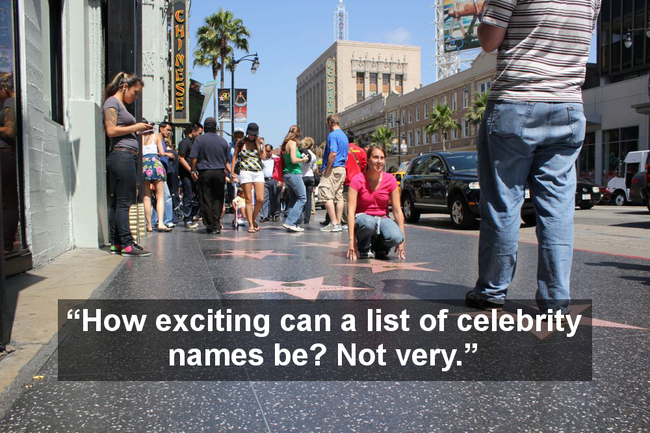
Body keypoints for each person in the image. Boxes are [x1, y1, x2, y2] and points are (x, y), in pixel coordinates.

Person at [465, 0, 600, 314]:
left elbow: (489, 40)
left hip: (516, 101)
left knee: (502, 203)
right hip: (568, 103)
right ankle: (555, 301)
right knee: (557, 209)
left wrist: (483, 12)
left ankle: (492, 290)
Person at [103, 72, 153, 257]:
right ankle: (126, 244)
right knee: (125, 201)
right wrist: (136, 127)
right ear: (125, 87)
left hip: (125, 156)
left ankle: (117, 242)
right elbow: (111, 130)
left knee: (118, 202)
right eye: (136, 92)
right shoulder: (112, 102)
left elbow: (119, 130)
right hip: (122, 157)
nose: (136, 96)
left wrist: (137, 132)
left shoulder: (118, 104)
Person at [347, 145, 405, 260]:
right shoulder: (357, 180)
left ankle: (379, 247)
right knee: (367, 223)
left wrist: (403, 240)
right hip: (364, 218)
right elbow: (350, 211)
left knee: (397, 237)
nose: (379, 161)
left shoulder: (390, 180)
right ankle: (364, 247)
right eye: (375, 157)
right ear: (368, 160)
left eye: (382, 158)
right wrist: (351, 241)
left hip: (382, 218)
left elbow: (397, 211)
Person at [189, 117, 231, 234]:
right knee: (218, 198)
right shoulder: (223, 141)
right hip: (219, 172)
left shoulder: (199, 140)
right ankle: (216, 223)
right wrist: (230, 172)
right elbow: (227, 160)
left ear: (205, 127)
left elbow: (193, 158)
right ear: (215, 127)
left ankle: (210, 224)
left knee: (206, 198)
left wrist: (193, 170)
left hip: (205, 172)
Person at [231, 123, 266, 233]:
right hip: (245, 171)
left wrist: (260, 145)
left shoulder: (259, 142)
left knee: (260, 199)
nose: (252, 136)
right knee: (248, 199)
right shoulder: (241, 143)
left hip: (258, 171)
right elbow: (235, 157)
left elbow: (263, 157)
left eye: (254, 134)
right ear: (247, 133)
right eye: (251, 134)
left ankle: (253, 218)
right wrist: (232, 172)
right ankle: (251, 224)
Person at [320, 114, 349, 232]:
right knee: (339, 195)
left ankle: (333, 223)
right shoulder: (344, 135)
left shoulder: (332, 135)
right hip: (342, 168)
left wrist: (327, 169)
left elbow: (332, 153)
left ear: (330, 123)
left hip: (334, 167)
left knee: (325, 191)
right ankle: (338, 222)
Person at [0, 73, 18, 253]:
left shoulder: (10, 103)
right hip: (7, 154)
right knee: (9, 200)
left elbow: (9, 130)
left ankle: (6, 243)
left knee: (8, 201)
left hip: (4, 154)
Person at [142, 123, 171, 233]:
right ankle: (160, 223)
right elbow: (162, 153)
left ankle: (149, 225)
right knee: (160, 197)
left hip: (144, 165)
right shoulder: (157, 136)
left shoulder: (140, 137)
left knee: (146, 196)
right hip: (155, 164)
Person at [281, 125, 310, 232]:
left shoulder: (286, 144)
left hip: (287, 173)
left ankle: (293, 223)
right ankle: (290, 222)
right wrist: (303, 159)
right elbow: (293, 160)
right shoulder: (292, 143)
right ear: (297, 134)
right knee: (303, 198)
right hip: (294, 173)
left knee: (294, 199)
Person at [178, 122, 203, 228]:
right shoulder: (184, 142)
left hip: (195, 173)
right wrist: (191, 171)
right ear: (193, 131)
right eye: (199, 133)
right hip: (187, 174)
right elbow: (181, 158)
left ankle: (193, 215)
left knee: (197, 195)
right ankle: (187, 218)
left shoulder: (196, 143)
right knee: (188, 195)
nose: (200, 135)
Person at [299, 137, 317, 224]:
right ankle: (307, 218)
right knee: (309, 198)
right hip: (310, 177)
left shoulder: (302, 154)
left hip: (303, 176)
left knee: (301, 197)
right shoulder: (313, 155)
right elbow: (314, 169)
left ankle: (299, 216)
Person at [260, 143, 279, 222]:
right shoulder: (262, 159)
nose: (267, 153)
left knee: (275, 198)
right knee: (264, 199)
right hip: (265, 180)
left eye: (269, 151)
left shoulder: (276, 158)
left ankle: (275, 214)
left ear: (272, 150)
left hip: (274, 180)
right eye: (266, 151)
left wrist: (280, 181)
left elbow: (279, 170)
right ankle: (264, 216)